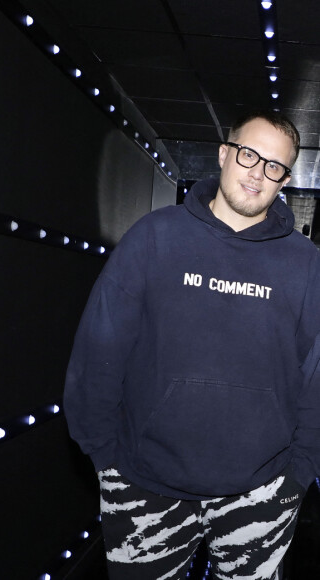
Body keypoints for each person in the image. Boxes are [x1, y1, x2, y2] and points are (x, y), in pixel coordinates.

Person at [63, 110, 320, 580]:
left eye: (274, 166)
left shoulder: (307, 266)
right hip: (143, 485)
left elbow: (317, 380)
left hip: (261, 492)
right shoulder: (154, 237)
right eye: (249, 155)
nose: (257, 173)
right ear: (224, 154)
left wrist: (300, 473)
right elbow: (99, 350)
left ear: (285, 179)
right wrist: (105, 457)